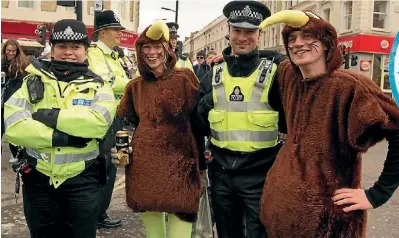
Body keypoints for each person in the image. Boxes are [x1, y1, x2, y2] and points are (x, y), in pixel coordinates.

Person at [258, 10, 399, 237]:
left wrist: (377, 194)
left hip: (328, 223)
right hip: (280, 219)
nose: (298, 44)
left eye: (308, 37)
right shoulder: (287, 76)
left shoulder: (349, 87)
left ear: (326, 44)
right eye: (292, 39)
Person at [4, 19, 116, 238]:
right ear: (52, 50)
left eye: (75, 47)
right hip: (38, 182)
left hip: (83, 182)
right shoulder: (30, 82)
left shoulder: (100, 86)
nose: (68, 53)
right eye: (62, 47)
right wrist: (59, 138)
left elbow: (98, 124)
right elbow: (14, 127)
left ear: (86, 50)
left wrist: (52, 117)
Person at [196, 1, 287, 237]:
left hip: (261, 176)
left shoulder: (275, 74)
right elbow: (198, 126)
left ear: (259, 34)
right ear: (229, 32)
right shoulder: (212, 75)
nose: (242, 37)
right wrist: (202, 109)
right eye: (237, 30)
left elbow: (291, 124)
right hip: (222, 175)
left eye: (249, 32)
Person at [116, 20, 206, 238]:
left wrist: (201, 166)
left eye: (158, 46)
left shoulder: (185, 78)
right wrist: (122, 149)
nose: (152, 52)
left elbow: (198, 124)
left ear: (168, 48)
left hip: (181, 168)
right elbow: (126, 125)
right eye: (146, 47)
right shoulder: (134, 87)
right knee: (154, 235)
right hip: (144, 169)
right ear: (139, 51)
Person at [87, 9, 129, 229]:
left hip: (117, 118)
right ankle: (94, 214)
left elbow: (121, 80)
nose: (120, 34)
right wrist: (133, 85)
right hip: (104, 120)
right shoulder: (94, 53)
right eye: (116, 29)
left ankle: (100, 212)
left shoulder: (114, 55)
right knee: (102, 166)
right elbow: (106, 82)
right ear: (103, 32)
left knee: (115, 164)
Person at [1, 39, 30, 162]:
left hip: (13, 102)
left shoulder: (21, 64)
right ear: (4, 50)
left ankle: (16, 155)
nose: (11, 53)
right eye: (9, 50)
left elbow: (21, 85)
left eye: (13, 51)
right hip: (2, 102)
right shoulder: (2, 62)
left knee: (13, 129)